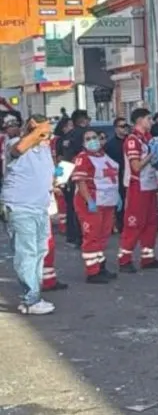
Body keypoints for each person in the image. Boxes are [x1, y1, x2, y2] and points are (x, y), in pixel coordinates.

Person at [2, 115, 57, 314]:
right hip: (20, 207)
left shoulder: (45, 150)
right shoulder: (16, 143)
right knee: (27, 254)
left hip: (40, 207)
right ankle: (31, 299)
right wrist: (35, 133)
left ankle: (32, 297)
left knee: (39, 252)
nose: (47, 135)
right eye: (43, 131)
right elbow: (17, 151)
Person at [116, 108, 158, 272]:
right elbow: (136, 166)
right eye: (148, 119)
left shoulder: (148, 139)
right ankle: (124, 259)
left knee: (151, 223)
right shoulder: (133, 140)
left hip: (150, 185)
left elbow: (150, 162)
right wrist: (150, 156)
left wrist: (156, 163)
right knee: (134, 224)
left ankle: (148, 257)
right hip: (137, 186)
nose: (151, 122)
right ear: (139, 120)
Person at [70, 128, 121, 284]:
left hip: (107, 201)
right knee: (92, 236)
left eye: (95, 137)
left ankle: (100, 266)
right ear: (83, 143)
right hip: (91, 201)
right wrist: (89, 200)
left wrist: (117, 196)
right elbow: (81, 181)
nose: (93, 140)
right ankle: (92, 272)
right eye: (88, 138)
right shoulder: (83, 158)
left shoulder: (103, 156)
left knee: (103, 236)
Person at [57, 110, 89, 248]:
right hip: (80, 175)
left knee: (71, 206)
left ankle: (72, 236)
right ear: (83, 120)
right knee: (81, 207)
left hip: (65, 173)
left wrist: (59, 179)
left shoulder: (64, 138)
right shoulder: (84, 135)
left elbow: (61, 159)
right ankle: (81, 237)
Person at [105, 117, 129, 229]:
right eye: (122, 126)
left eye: (126, 126)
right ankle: (121, 225)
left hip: (131, 176)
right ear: (116, 129)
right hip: (117, 178)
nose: (125, 129)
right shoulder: (110, 145)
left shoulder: (131, 141)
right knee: (121, 204)